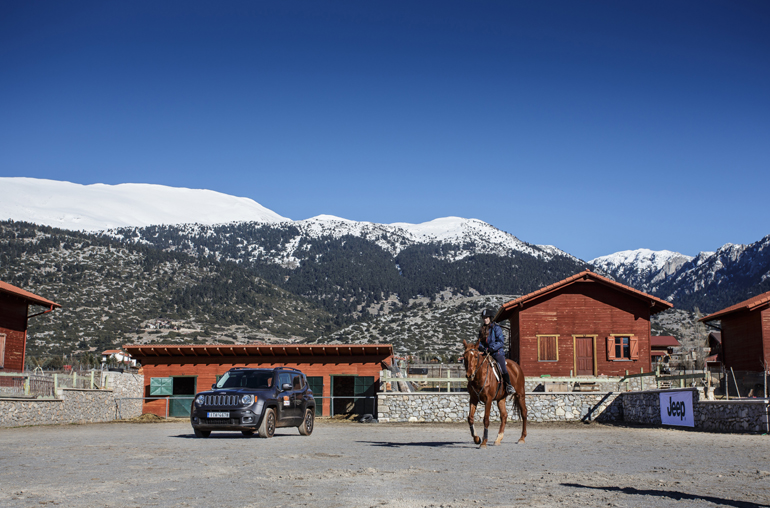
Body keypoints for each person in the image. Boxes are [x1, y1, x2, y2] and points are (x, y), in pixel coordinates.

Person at [478, 309, 515, 395]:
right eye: (483, 318)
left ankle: (509, 385)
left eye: (486, 318)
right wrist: (481, 348)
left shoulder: (496, 328)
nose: (485, 319)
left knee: (503, 368)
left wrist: (492, 348)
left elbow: (501, 341)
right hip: (486, 353)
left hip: (497, 353)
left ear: (490, 318)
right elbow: (479, 342)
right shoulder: (482, 329)